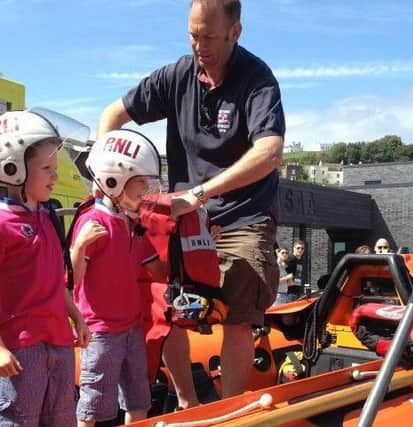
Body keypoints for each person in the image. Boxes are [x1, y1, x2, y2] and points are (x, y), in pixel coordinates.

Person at [98, 0, 284, 401]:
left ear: (235, 32)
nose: (199, 45)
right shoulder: (177, 75)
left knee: (236, 314)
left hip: (242, 215)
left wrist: (199, 194)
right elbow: (113, 114)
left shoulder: (257, 79)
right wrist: (105, 178)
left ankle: (230, 410)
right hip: (184, 218)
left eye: (209, 37)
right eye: (192, 35)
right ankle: (187, 401)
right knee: (168, 311)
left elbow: (270, 152)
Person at [0, 109, 91, 426]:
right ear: (14, 169)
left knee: (63, 419)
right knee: (18, 420)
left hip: (60, 344)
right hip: (22, 350)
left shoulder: (47, 218)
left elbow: (54, 283)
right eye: (47, 168)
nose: (56, 177)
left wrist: (76, 316)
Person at [71, 129, 166, 426]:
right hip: (101, 331)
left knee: (138, 401)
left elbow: (159, 269)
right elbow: (72, 279)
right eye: (140, 183)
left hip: (131, 328)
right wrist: (80, 246)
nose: (146, 191)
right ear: (115, 180)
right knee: (92, 406)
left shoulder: (130, 225)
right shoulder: (92, 223)